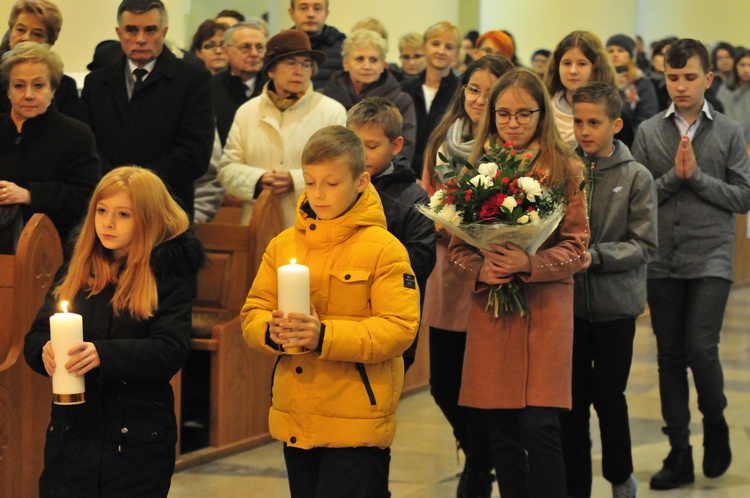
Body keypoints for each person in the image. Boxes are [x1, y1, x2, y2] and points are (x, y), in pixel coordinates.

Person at [242, 125, 420, 498]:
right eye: (310, 182)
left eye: (332, 183)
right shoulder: (284, 244)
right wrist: (270, 331)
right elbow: (253, 311)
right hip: (298, 415)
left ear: (361, 181)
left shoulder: (384, 249)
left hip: (357, 420)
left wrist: (323, 335)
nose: (318, 194)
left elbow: (399, 329)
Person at [23, 166, 204, 497]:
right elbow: (36, 335)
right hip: (72, 434)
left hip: (136, 438)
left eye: (123, 214)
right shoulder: (77, 269)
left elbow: (169, 350)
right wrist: (43, 351)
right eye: (102, 211)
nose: (108, 222)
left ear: (147, 219)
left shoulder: (166, 274)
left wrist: (101, 355)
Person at [451, 67, 589, 498]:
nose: (513, 124)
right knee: (502, 430)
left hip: (546, 309)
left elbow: (578, 248)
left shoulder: (564, 166)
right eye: (503, 114)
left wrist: (528, 263)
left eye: (524, 115)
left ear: (541, 115)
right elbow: (458, 250)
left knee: (540, 426)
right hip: (494, 311)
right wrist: (481, 269)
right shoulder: (478, 167)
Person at [631, 38, 750, 491]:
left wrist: (695, 179)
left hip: (711, 255)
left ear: (708, 80)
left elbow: (743, 196)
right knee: (669, 355)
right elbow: (641, 199)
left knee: (701, 348)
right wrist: (672, 179)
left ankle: (715, 421)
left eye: (689, 78)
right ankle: (678, 449)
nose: (680, 86)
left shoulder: (729, 131)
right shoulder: (648, 132)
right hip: (661, 256)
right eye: (673, 78)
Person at [421, 54, 514, 498]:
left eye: (489, 92)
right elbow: (429, 195)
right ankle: (480, 455)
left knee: (485, 385)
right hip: (448, 271)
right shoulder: (444, 139)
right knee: (443, 383)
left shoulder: (512, 146)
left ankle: (481, 465)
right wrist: (439, 219)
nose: (478, 100)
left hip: (493, 274)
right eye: (472, 90)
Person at [561, 81, 658, 498]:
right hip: (570, 310)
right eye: (579, 121)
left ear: (615, 124)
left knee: (609, 397)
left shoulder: (637, 176)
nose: (585, 130)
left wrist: (595, 256)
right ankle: (574, 484)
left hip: (616, 307)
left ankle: (620, 477)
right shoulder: (567, 170)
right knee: (572, 402)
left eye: (594, 122)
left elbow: (644, 245)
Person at [80, 0, 214, 221]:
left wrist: (139, 187)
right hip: (107, 206)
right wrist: (116, 185)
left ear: (164, 31)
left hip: (167, 207)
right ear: (119, 33)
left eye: (150, 29)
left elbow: (195, 153)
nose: (140, 39)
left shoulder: (192, 80)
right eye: (131, 30)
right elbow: (87, 147)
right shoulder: (96, 82)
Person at [218, 29, 346, 228]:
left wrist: (294, 180)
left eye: (306, 65)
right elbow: (227, 168)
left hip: (312, 223)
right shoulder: (247, 112)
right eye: (291, 63)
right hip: (259, 223)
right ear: (271, 70)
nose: (299, 71)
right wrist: (259, 180)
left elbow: (340, 169)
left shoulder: (331, 112)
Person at [346, 96, 435, 373]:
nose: (361, 154)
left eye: (371, 146)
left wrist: (367, 258)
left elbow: (421, 259)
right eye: (354, 143)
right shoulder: (338, 187)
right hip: (342, 314)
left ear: (396, 146)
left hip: (391, 318)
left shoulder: (413, 197)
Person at [0, 42, 100, 250]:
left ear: (53, 89)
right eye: (19, 85)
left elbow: (86, 198)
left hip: (51, 252)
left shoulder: (76, 134)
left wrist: (30, 195)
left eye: (38, 85)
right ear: (8, 90)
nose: (28, 95)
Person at [322, 29, 417, 163]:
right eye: (359, 59)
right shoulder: (325, 98)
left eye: (373, 60)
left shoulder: (401, 101)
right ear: (345, 64)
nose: (367, 66)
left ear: (383, 65)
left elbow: (404, 149)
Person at [544, 30, 634, 147]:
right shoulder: (543, 112)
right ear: (557, 67)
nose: (573, 71)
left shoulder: (614, 117)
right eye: (567, 63)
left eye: (581, 64)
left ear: (596, 68)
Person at [0, 0, 81, 118]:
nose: (26, 38)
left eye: (37, 34)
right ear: (11, 31)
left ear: (49, 42)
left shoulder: (65, 87)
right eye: (20, 30)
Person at [400, 21, 460, 178]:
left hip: (446, 176)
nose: (441, 51)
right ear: (423, 47)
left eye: (448, 47)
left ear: (456, 54)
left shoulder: (462, 93)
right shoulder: (405, 89)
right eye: (435, 44)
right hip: (406, 175)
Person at [212, 20, 267, 147]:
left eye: (259, 47)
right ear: (226, 51)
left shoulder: (274, 87)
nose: (254, 54)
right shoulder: (209, 89)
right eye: (245, 47)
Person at [606, 34, 659, 133]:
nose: (615, 54)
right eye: (610, 51)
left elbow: (647, 118)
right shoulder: (602, 81)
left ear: (630, 55)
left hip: (633, 140)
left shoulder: (642, 84)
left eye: (621, 50)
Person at [288, 0, 345, 90]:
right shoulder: (280, 48)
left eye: (317, 9)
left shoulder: (343, 48)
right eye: (303, 8)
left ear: (326, 13)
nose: (311, 14)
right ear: (291, 13)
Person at [717, 48, 750, 144]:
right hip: (726, 142)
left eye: (749, 65)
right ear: (735, 66)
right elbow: (719, 115)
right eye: (742, 65)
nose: (746, 70)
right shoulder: (726, 88)